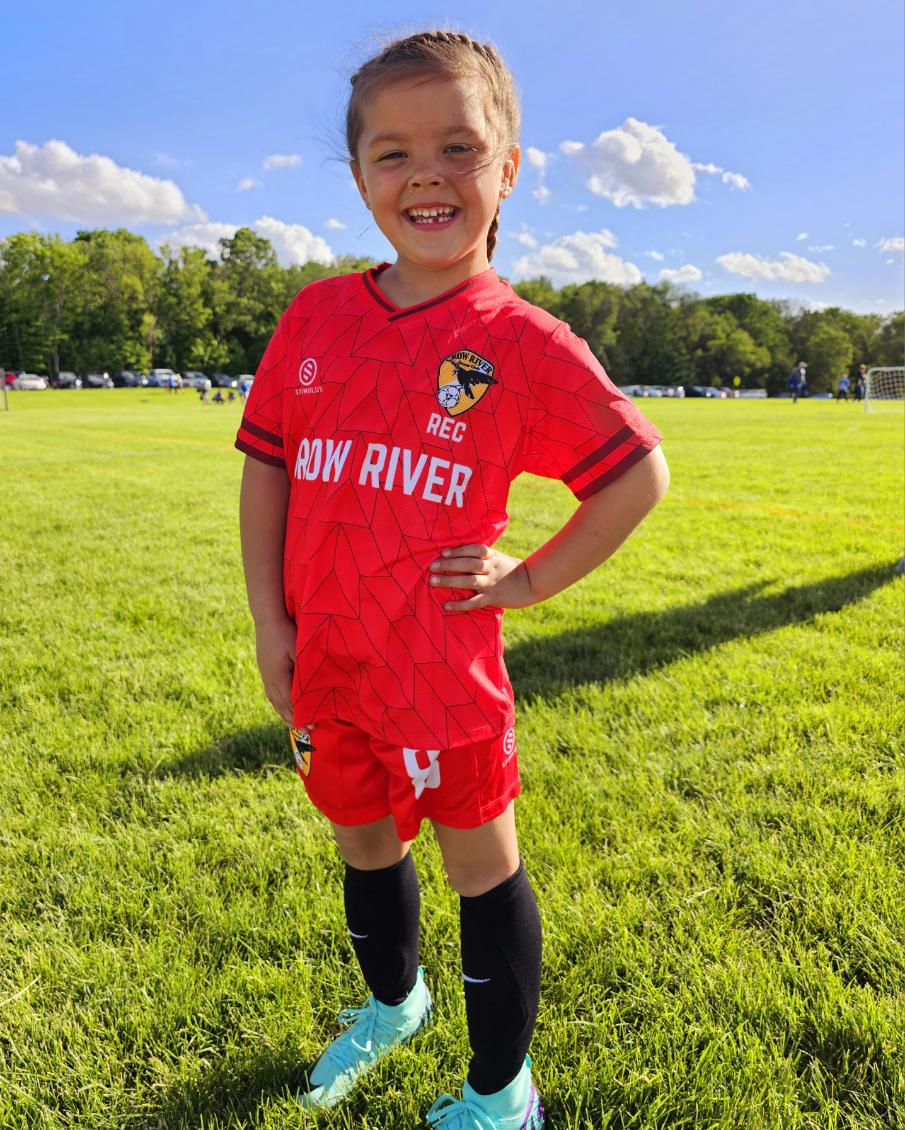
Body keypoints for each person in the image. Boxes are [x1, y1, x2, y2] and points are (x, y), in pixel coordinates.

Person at [236, 30, 668, 1129]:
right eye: (392, 153)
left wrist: (525, 581)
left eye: (457, 146)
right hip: (326, 653)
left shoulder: (521, 343)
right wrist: (266, 623)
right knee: (362, 838)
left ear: (508, 167)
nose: (424, 173)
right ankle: (393, 1000)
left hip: (439, 665)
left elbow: (634, 475)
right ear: (358, 177)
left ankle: (499, 1091)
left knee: (481, 867)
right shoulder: (315, 318)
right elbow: (268, 470)